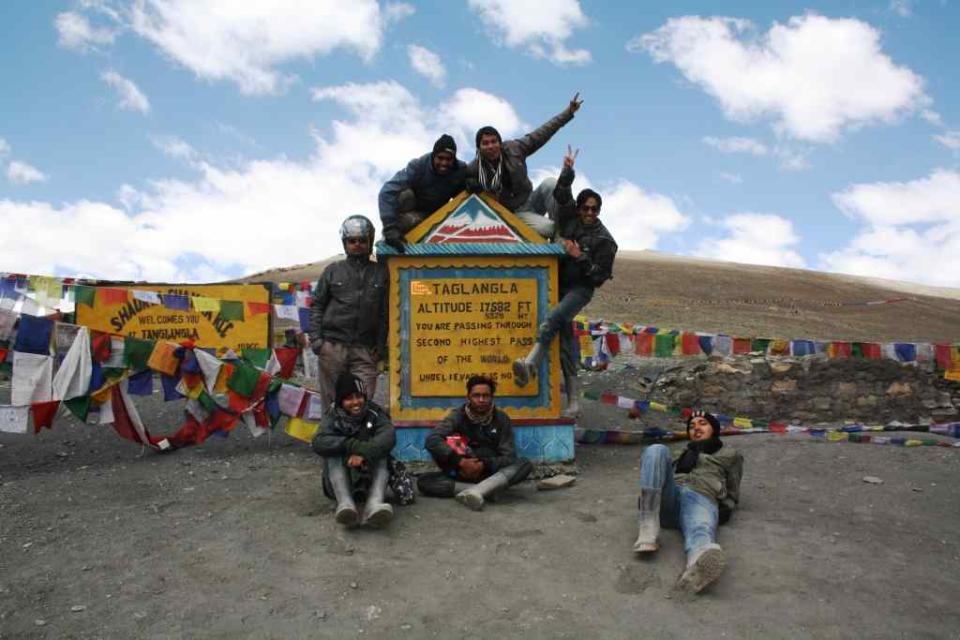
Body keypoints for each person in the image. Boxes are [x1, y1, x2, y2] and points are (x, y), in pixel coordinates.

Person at [512, 147, 617, 416]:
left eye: (595, 209)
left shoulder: (606, 241)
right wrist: (567, 171)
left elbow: (599, 276)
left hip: (580, 289)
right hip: (557, 281)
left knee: (552, 319)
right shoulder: (570, 220)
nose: (590, 213)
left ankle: (530, 363)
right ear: (580, 209)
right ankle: (573, 400)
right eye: (586, 208)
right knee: (566, 341)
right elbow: (561, 195)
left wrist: (579, 256)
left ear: (599, 210)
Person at [633, 410, 744, 593]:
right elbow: (658, 473)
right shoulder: (682, 451)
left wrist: (725, 508)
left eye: (702, 423)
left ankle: (697, 563)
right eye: (692, 426)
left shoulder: (731, 454)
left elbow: (733, 490)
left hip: (701, 496)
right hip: (670, 498)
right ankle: (648, 525)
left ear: (714, 429)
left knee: (700, 530)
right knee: (656, 450)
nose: (696, 428)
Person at [466, 93, 583, 237]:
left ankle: (565, 230)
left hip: (531, 199)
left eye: (494, 141)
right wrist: (468, 183)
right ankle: (558, 235)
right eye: (485, 143)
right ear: (479, 148)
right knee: (550, 228)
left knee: (550, 183)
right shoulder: (474, 168)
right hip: (515, 213)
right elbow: (456, 179)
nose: (490, 146)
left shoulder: (514, 148)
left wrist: (568, 112)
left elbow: (542, 133)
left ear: (500, 143)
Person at [418, 375, 532, 510]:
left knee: (524, 464)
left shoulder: (501, 419)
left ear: (492, 397)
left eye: (486, 395)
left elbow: (509, 456)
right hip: (461, 472)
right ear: (468, 397)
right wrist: (461, 462)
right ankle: (485, 491)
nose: (481, 400)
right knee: (424, 482)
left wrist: (484, 464)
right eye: (476, 395)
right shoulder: (458, 416)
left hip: (490, 473)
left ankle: (479, 490)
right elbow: (432, 439)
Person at [310, 215, 387, 410]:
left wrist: (380, 345)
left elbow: (384, 313)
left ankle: (360, 438)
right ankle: (331, 439)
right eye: (352, 241)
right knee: (332, 401)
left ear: (370, 242)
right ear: (345, 243)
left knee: (364, 399)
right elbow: (317, 305)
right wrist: (318, 342)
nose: (357, 245)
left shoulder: (381, 272)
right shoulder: (332, 271)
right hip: (333, 347)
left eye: (362, 241)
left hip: (365, 349)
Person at [312, 372, 397, 528]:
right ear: (340, 400)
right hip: (340, 481)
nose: (355, 402)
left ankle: (374, 504)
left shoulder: (375, 413)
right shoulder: (332, 416)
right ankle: (345, 505)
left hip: (368, 478)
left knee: (382, 454)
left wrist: (363, 454)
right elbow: (318, 442)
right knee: (333, 454)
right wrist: (350, 446)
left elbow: (388, 437)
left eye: (359, 396)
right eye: (348, 398)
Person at [378, 134, 467, 252]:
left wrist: (470, 183)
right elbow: (387, 192)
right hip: (411, 209)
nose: (444, 163)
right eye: (440, 158)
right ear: (433, 156)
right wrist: (389, 227)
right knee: (405, 195)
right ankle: (391, 237)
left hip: (435, 215)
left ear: (454, 159)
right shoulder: (417, 166)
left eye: (448, 159)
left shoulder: (460, 170)